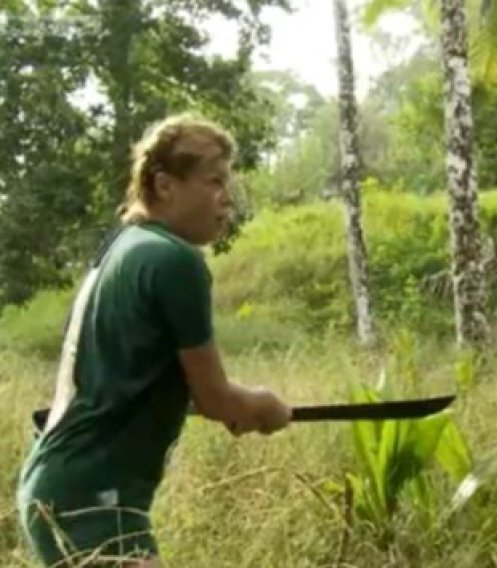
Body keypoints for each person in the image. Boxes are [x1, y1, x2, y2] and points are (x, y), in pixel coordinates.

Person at [16, 113, 292, 567]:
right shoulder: (173, 260)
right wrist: (261, 406)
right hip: (91, 500)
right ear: (164, 185)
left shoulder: (125, 246)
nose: (227, 200)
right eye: (213, 182)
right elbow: (217, 399)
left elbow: (137, 384)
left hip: (62, 486)